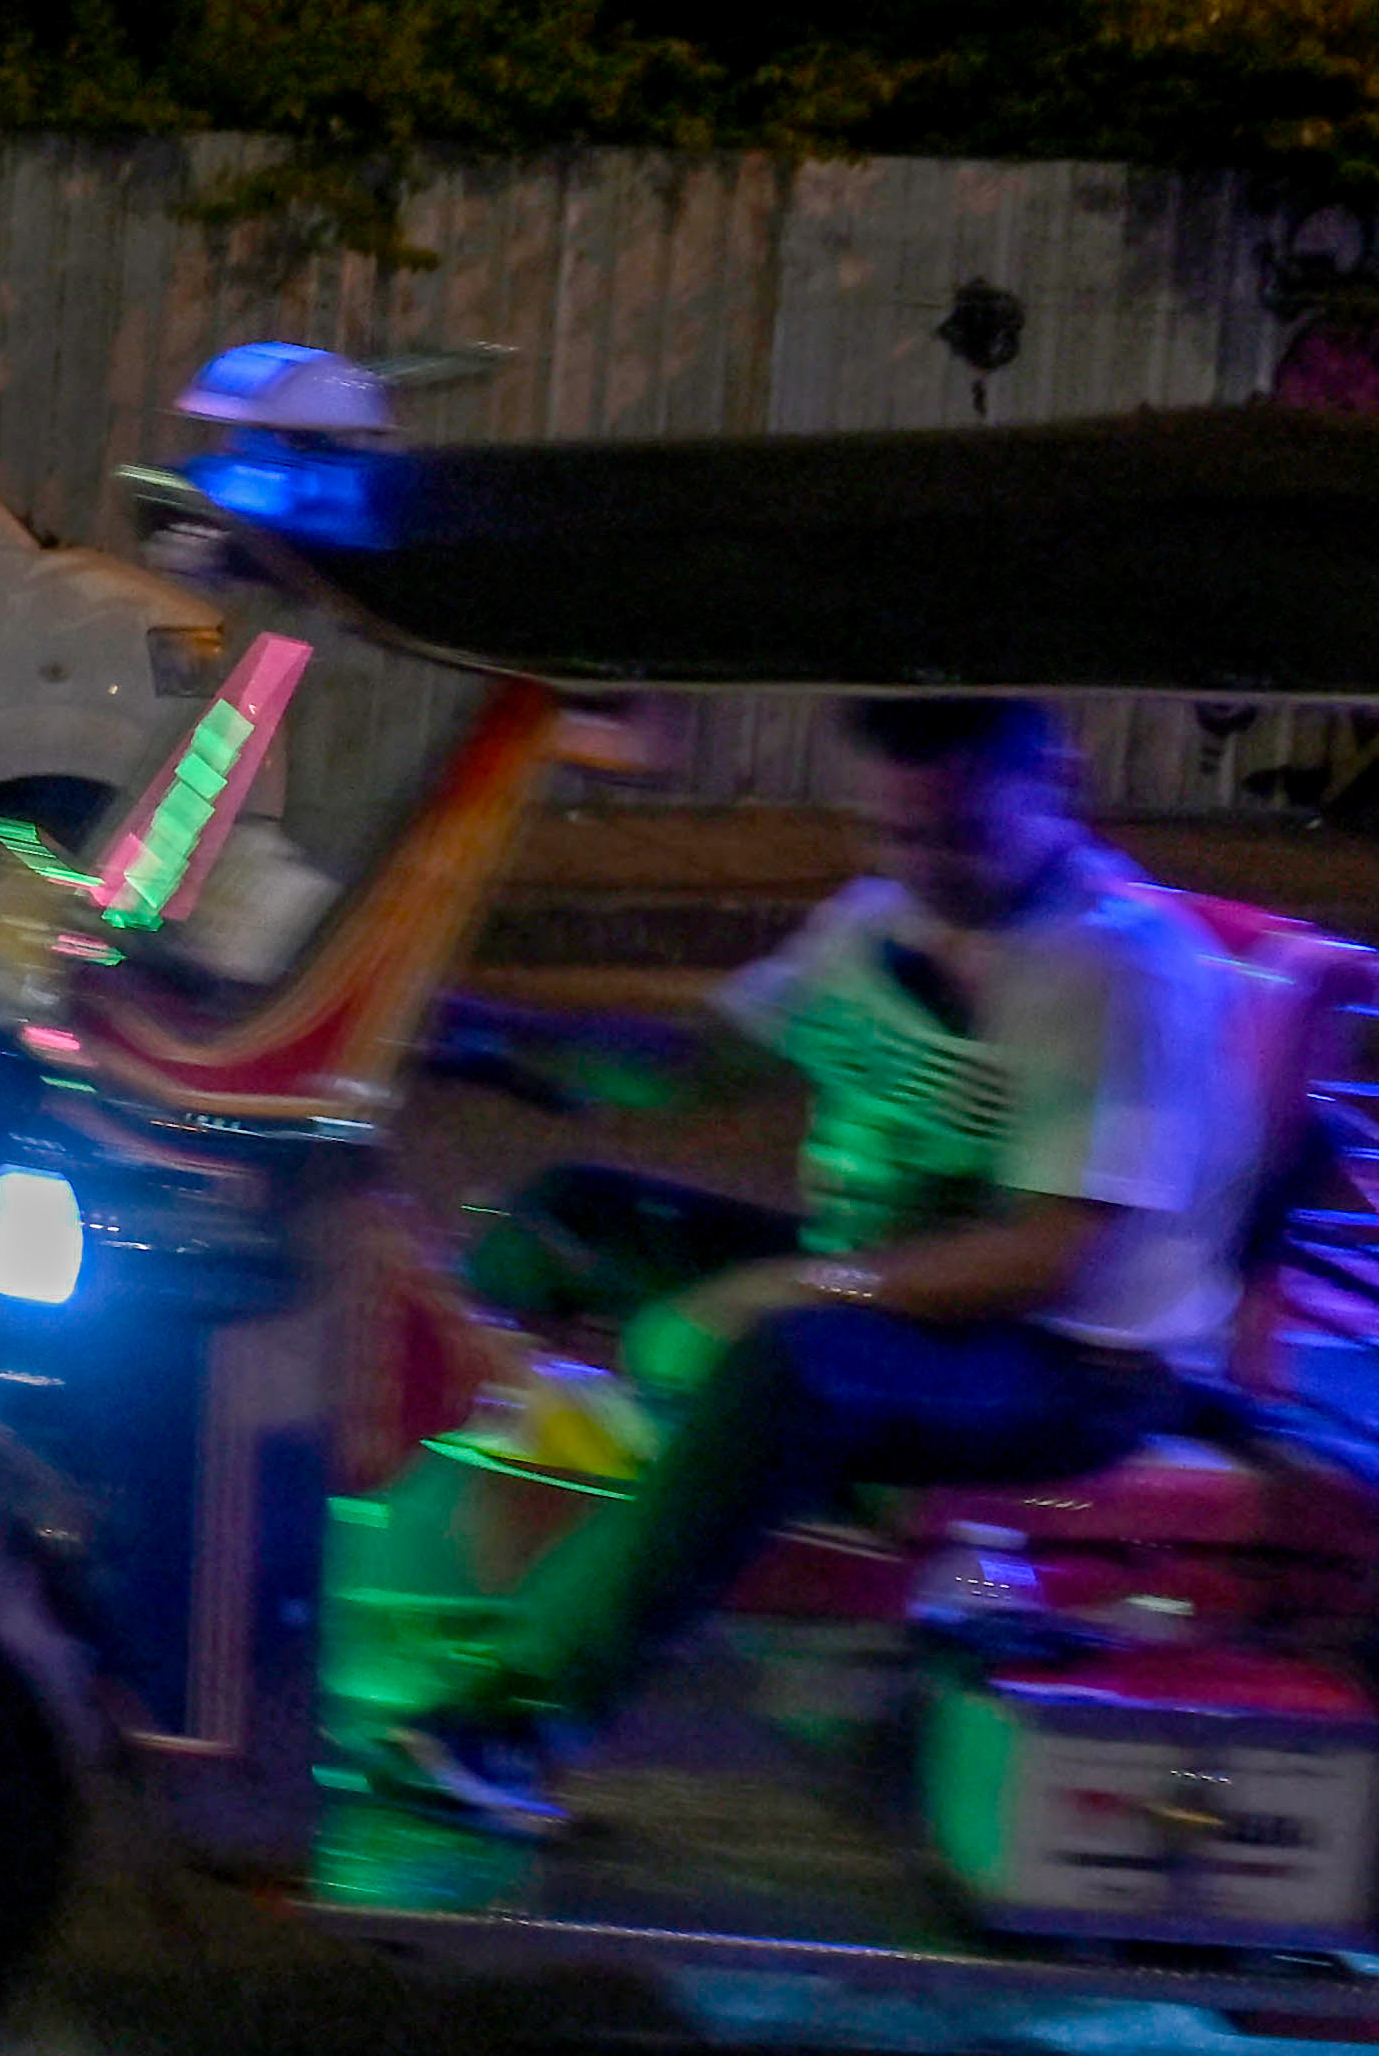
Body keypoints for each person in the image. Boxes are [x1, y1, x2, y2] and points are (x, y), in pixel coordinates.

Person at [372, 695, 1260, 1839]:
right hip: (898, 1290)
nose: (921, 866)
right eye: (892, 834)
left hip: (1072, 1366)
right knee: (569, 1219)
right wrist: (474, 1030)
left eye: (957, 834)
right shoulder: (884, 918)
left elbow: (1049, 1257)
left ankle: (516, 1728)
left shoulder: (1118, 974)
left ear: (1058, 789)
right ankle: (431, 1562)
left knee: (796, 1366)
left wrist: (783, 1288)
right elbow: (701, 1064)